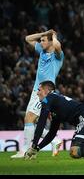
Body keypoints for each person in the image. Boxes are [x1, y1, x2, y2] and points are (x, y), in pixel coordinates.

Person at [11, 29, 64, 158]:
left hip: (45, 92)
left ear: (51, 42)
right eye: (40, 41)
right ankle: (55, 141)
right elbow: (28, 38)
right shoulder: (42, 51)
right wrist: (43, 34)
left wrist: (53, 36)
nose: (40, 42)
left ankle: (25, 150)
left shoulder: (58, 56)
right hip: (36, 90)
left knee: (29, 118)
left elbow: (57, 46)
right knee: (30, 120)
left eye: (43, 41)